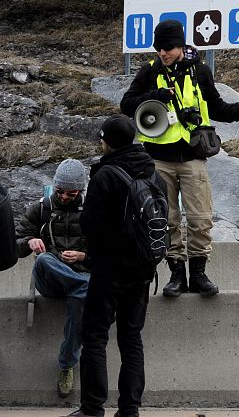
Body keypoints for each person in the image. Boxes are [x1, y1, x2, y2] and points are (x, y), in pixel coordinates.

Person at [120, 19, 239, 297]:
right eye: (159, 48)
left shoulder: (200, 71)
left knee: (200, 218)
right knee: (167, 219)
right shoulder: (149, 72)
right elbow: (127, 105)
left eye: (168, 48)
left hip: (194, 156)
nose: (163, 53)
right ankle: (176, 276)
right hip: (158, 159)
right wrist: (155, 96)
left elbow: (216, 107)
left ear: (181, 45)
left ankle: (198, 274)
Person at [67, 115, 164, 417]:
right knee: (131, 339)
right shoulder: (153, 174)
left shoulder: (106, 175)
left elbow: (89, 224)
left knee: (95, 336)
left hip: (109, 269)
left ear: (106, 141)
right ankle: (129, 410)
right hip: (143, 269)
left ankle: (92, 408)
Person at [15, 158, 90, 398]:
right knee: (44, 260)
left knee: (81, 295)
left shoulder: (93, 210)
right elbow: (15, 243)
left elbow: (110, 251)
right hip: (51, 279)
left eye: (71, 193)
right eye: (60, 191)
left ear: (80, 191)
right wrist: (29, 242)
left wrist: (83, 256)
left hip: (80, 275)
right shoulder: (41, 208)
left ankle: (66, 365)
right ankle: (88, 286)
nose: (65, 197)